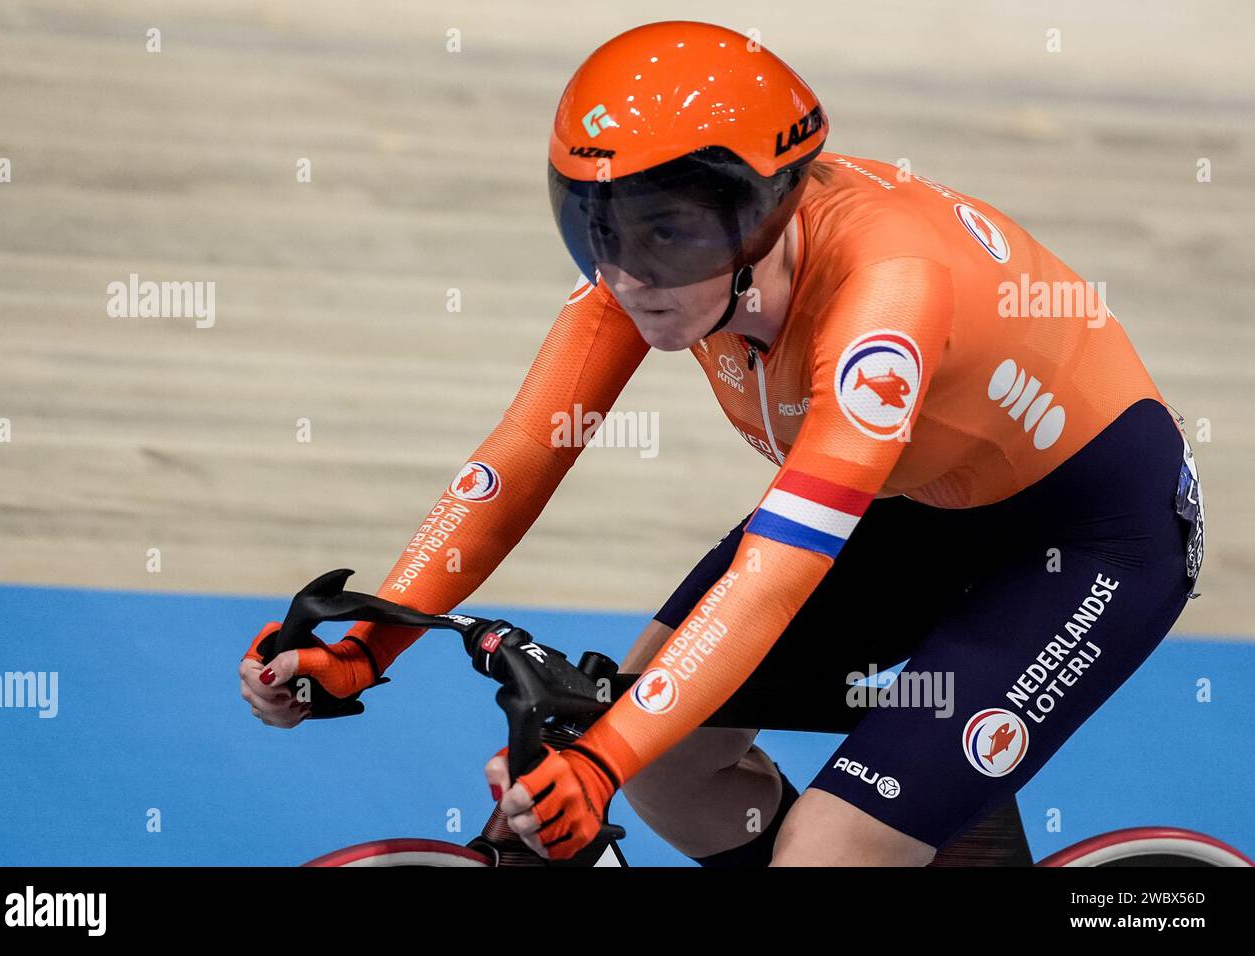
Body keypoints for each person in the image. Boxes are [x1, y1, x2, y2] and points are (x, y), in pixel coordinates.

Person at [239, 20, 1205, 866]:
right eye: (595, 223)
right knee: (669, 769)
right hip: (919, 501)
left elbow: (780, 571)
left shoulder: (885, 297)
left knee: (825, 845)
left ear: (760, 217)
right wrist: (371, 645)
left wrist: (600, 759)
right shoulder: (658, 272)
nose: (624, 267)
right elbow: (520, 461)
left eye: (666, 231)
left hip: (1091, 538)